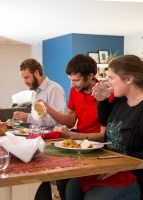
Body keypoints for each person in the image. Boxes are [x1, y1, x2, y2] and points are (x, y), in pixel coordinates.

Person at [67, 55, 143, 200]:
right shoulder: (121, 100)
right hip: (114, 164)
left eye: (111, 78)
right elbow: (106, 121)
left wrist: (120, 165)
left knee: (95, 198)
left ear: (128, 79)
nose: (107, 83)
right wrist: (102, 100)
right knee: (73, 186)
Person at [39, 54, 106, 200]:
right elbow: (70, 121)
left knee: (71, 185)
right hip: (78, 143)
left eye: (76, 80)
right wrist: (48, 108)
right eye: (70, 80)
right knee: (59, 175)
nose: (72, 85)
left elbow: (103, 135)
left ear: (90, 76)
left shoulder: (105, 95)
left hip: (97, 147)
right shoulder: (76, 91)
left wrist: (74, 135)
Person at [13, 58, 67, 128]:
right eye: (23, 78)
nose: (25, 82)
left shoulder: (54, 89)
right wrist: (26, 118)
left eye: (27, 77)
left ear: (36, 73)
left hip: (50, 136)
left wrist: (28, 117)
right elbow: (37, 118)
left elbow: (56, 120)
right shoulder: (34, 93)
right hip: (35, 133)